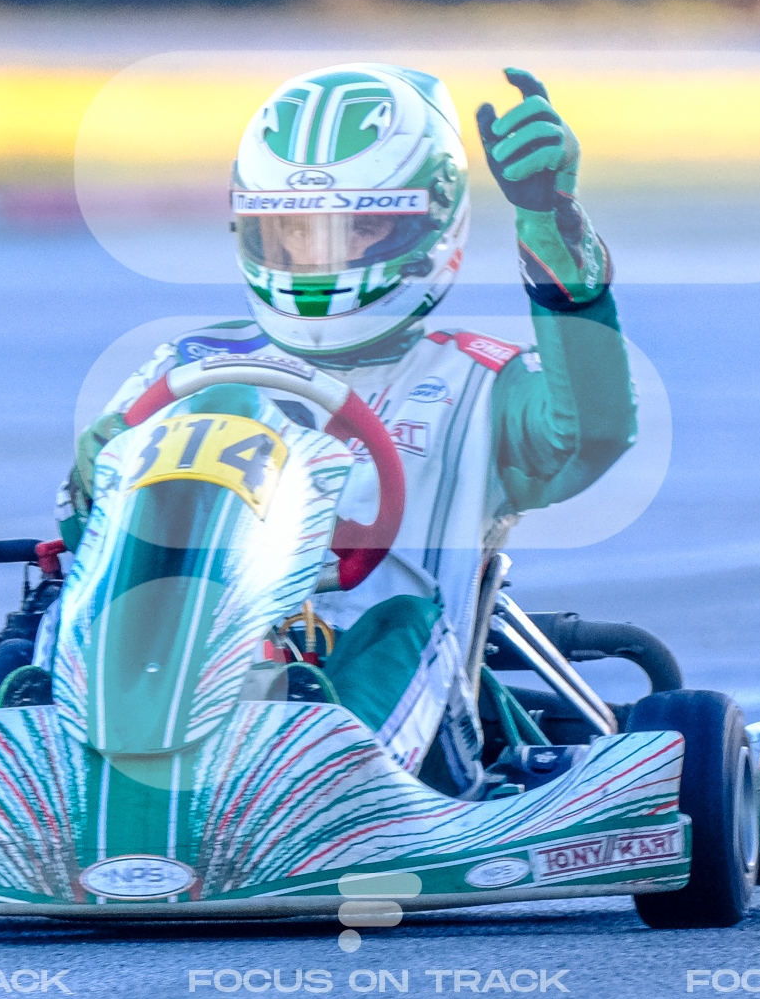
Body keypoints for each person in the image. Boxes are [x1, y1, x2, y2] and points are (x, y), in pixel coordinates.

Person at [59, 62, 636, 791]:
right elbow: (90, 542)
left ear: (426, 229)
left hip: (374, 707)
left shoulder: (481, 382)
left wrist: (551, 228)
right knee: (40, 640)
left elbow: (593, 433)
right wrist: (99, 474)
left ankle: (323, 796)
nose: (319, 256)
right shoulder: (186, 369)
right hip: (176, 666)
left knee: (405, 624)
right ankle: (32, 781)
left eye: (359, 226)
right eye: (295, 229)